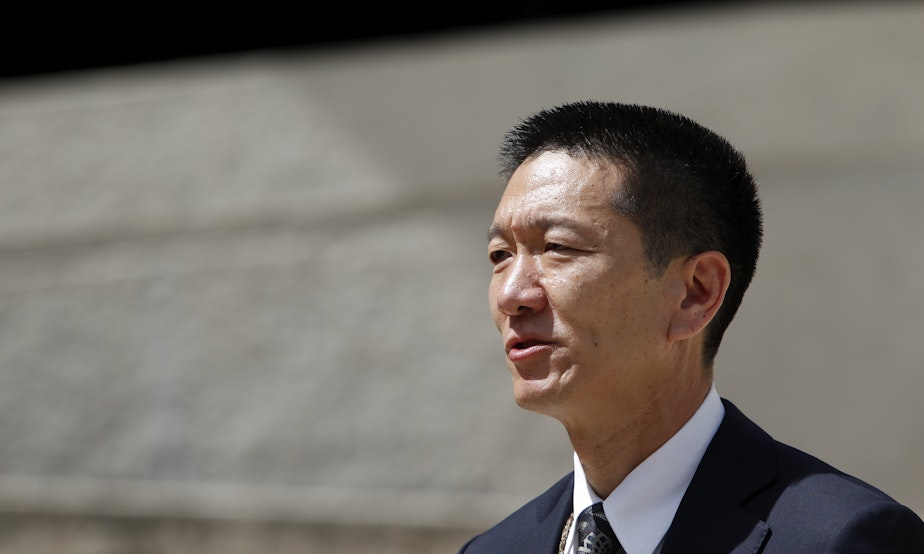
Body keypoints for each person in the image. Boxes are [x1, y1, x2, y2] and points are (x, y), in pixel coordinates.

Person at [459, 101, 924, 553]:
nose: (511, 295)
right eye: (500, 255)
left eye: (558, 247)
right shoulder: (494, 547)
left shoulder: (840, 538)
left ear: (696, 292)